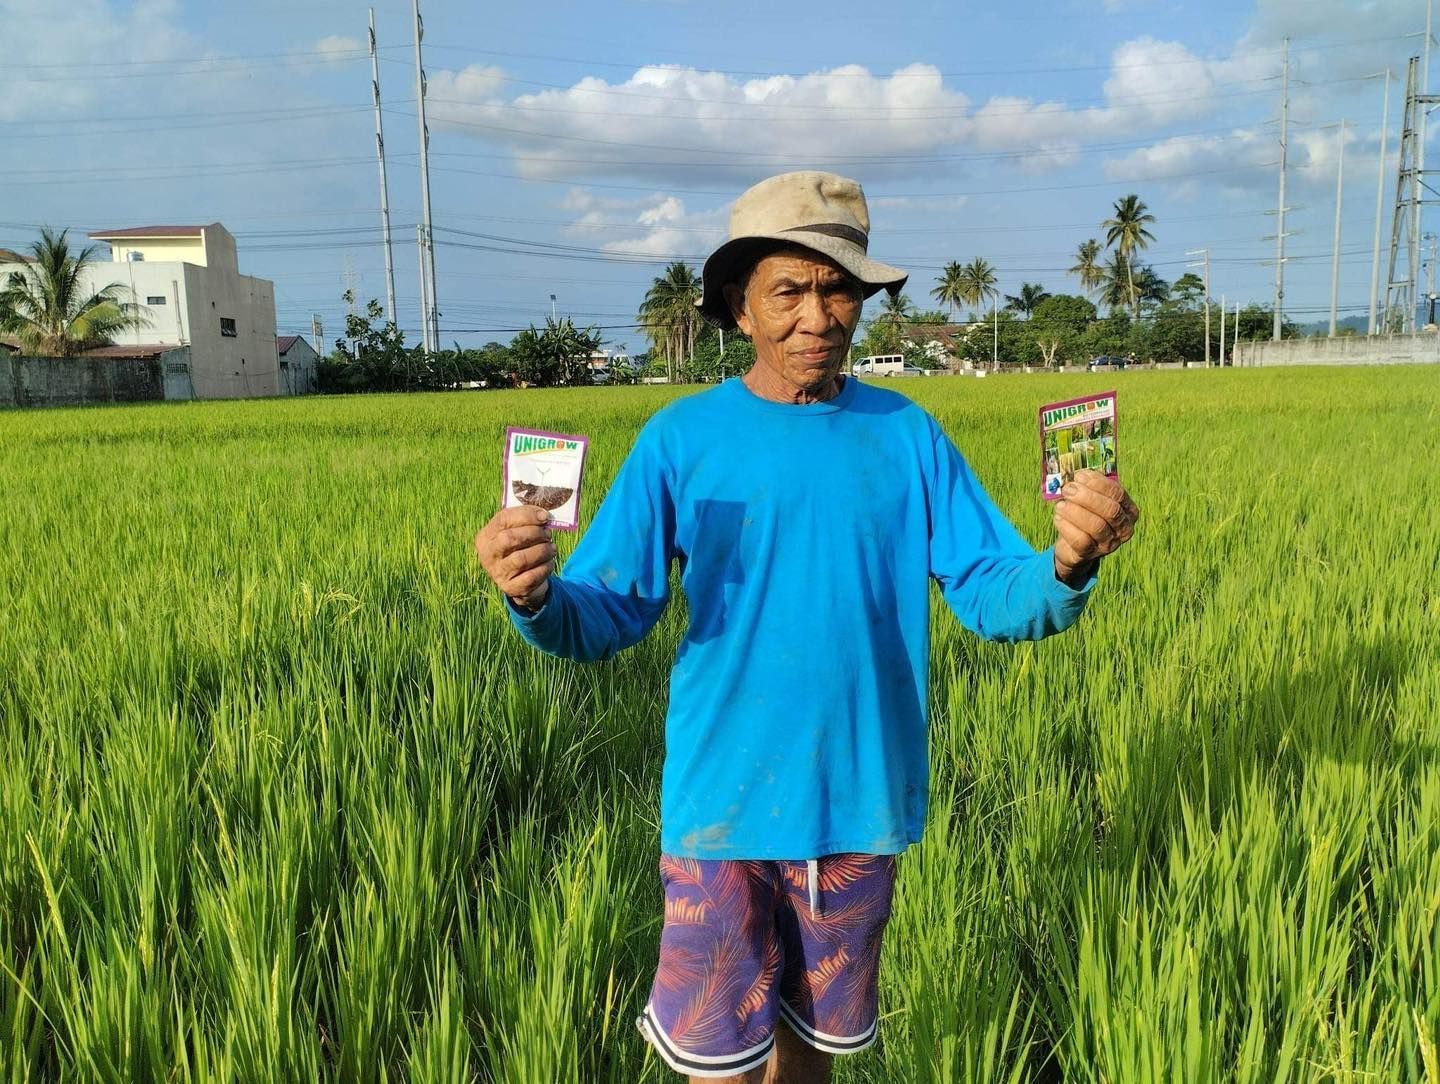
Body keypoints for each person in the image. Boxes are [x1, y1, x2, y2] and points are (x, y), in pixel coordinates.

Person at [475, 171, 1139, 1083]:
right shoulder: (680, 441)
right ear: (740, 310)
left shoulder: (907, 436)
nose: (817, 315)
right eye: (789, 290)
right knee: (720, 1065)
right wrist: (534, 598)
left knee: (815, 1055)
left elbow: (990, 588)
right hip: (724, 810)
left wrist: (1069, 563)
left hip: (859, 804)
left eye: (839, 289)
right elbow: (608, 609)